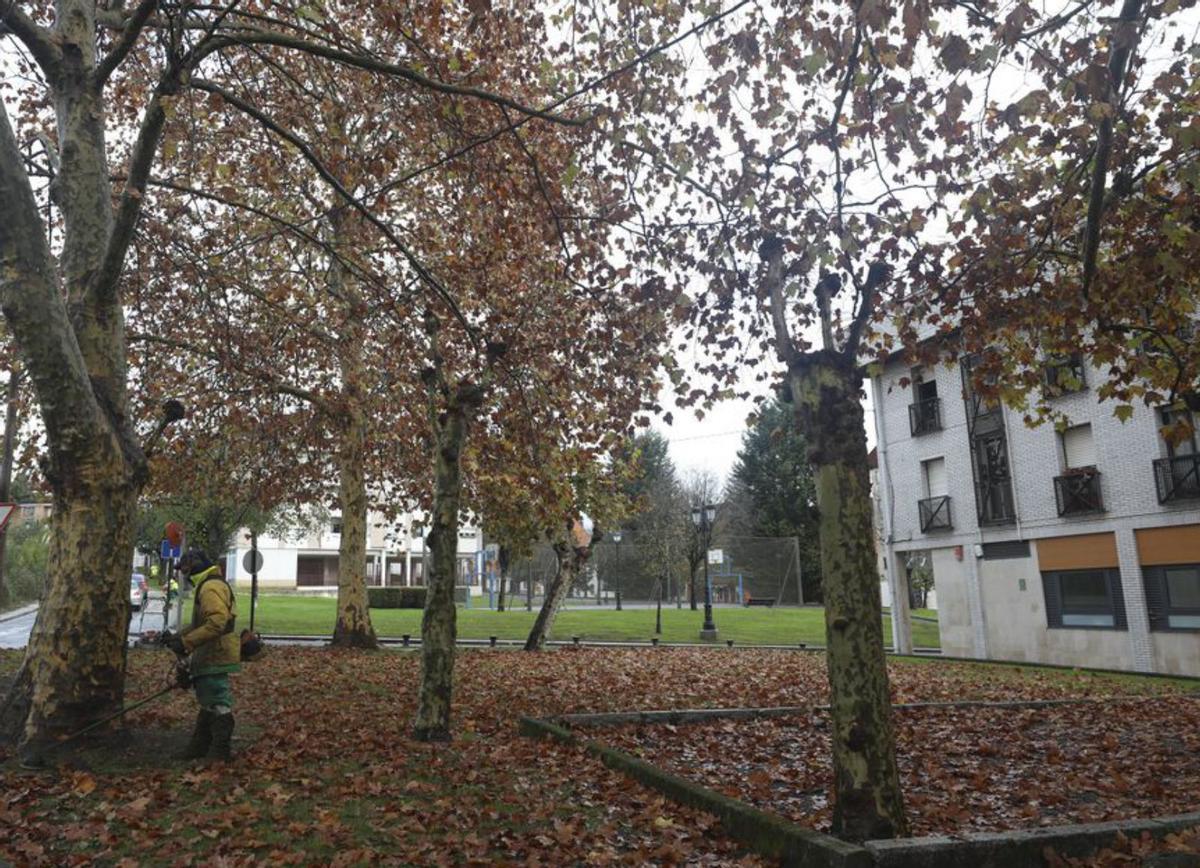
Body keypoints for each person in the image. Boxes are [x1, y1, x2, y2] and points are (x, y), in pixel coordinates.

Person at [163, 548, 240, 761]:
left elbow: (216, 623)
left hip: (216, 653)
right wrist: (178, 637)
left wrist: (186, 643)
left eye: (185, 569)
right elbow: (202, 623)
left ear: (194, 566)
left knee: (217, 701)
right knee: (208, 700)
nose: (184, 575)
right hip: (211, 652)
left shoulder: (210, 587)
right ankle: (200, 746)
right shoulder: (210, 584)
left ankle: (219, 752)